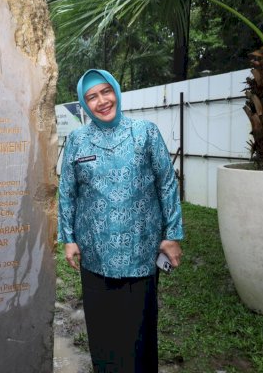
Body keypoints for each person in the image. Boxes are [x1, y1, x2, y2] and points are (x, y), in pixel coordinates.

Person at [58, 69, 183, 373]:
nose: (101, 101)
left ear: (116, 90)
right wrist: (69, 238)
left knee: (138, 335)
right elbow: (67, 191)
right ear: (84, 104)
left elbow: (167, 183)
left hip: (140, 254)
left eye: (105, 91)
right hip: (95, 256)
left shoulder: (145, 132)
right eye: (91, 96)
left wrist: (172, 234)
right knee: (104, 335)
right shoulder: (77, 140)